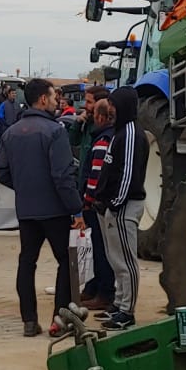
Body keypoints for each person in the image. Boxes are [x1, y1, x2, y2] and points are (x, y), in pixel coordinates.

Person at [0, 78, 82, 337]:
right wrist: (75, 209)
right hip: (55, 210)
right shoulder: (55, 131)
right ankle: (59, 320)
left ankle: (29, 321)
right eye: (54, 97)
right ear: (43, 99)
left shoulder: (11, 133)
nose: (57, 101)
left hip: (27, 211)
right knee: (65, 262)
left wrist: (24, 186)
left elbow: (1, 172)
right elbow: (62, 176)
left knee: (27, 262)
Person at [86, 87, 149, 329]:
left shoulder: (131, 134)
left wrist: (115, 203)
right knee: (116, 259)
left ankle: (127, 312)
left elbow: (128, 174)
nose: (108, 108)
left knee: (126, 262)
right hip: (113, 207)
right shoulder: (120, 132)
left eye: (112, 103)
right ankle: (119, 304)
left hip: (123, 207)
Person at [74, 94, 117, 311]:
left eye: (90, 103)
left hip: (95, 203)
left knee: (100, 250)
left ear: (101, 117)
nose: (86, 107)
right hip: (95, 202)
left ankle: (104, 293)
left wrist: (87, 200)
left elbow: (95, 175)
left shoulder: (102, 141)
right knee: (93, 249)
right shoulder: (96, 134)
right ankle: (93, 288)